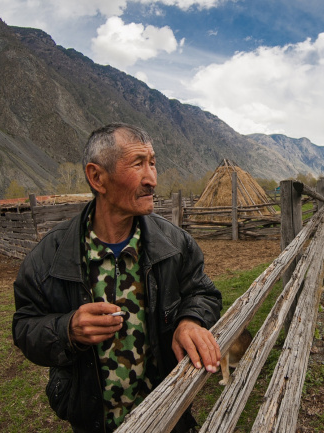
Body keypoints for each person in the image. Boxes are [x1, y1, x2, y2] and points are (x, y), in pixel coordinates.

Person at [12, 123, 222, 433]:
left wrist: (190, 320)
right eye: (138, 164)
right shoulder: (50, 256)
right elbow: (24, 325)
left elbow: (203, 293)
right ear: (97, 177)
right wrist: (66, 329)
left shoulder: (175, 245)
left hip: (168, 414)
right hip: (94, 421)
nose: (152, 179)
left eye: (152, 163)